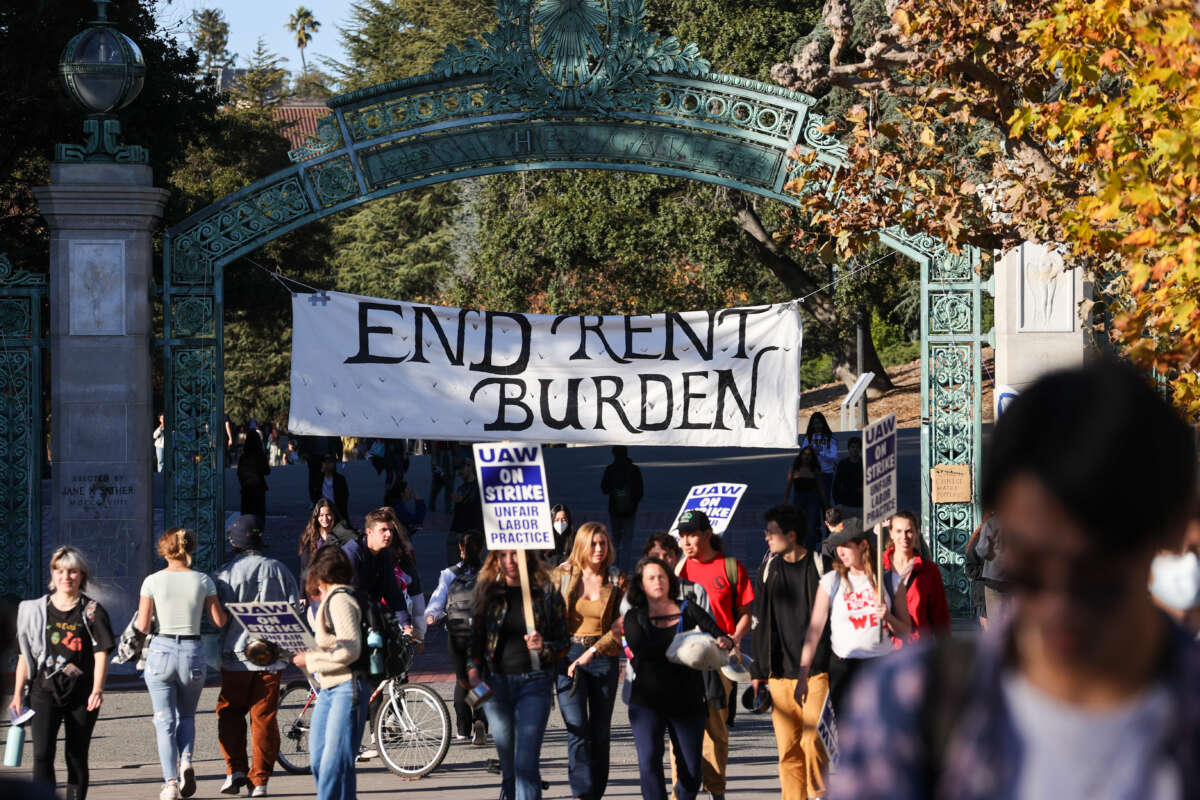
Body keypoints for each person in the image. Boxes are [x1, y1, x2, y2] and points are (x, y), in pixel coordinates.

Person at [833, 360, 1200, 799]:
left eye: (1096, 570)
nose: (1060, 599)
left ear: (1176, 530)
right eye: (1029, 562)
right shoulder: (912, 703)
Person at [624, 556, 734, 800]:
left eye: (662, 576)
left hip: (687, 700)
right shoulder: (634, 616)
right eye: (651, 578)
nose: (658, 582)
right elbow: (642, 651)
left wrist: (723, 641)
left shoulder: (688, 608)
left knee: (692, 771)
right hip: (647, 702)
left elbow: (717, 632)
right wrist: (687, 644)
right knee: (649, 762)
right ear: (641, 584)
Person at [11, 547, 115, 800]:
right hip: (43, 692)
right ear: (52, 573)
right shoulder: (35, 610)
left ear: (82, 575)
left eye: (72, 571)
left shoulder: (92, 611)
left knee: (76, 754)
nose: (65, 577)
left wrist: (98, 690)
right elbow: (24, 656)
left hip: (81, 694)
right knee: (41, 755)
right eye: (59, 571)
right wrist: (16, 695)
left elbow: (101, 653)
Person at [467, 550, 569, 800]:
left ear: (528, 557)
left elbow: (564, 641)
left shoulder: (545, 592)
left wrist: (543, 646)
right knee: (510, 765)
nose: (510, 561)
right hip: (496, 685)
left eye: (516, 555)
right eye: (504, 555)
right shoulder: (488, 592)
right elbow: (476, 638)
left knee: (525, 762)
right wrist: (473, 674)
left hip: (534, 683)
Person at [137, 529, 229, 800]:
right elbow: (219, 621)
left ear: (165, 551)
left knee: (164, 720)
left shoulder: (152, 581)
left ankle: (171, 783)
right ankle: (186, 759)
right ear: (190, 549)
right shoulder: (203, 580)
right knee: (186, 715)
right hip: (192, 651)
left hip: (161, 651)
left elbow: (142, 625)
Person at [213, 515, 301, 798]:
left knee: (230, 712)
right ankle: (260, 779)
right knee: (263, 717)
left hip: (235, 655)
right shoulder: (279, 569)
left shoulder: (224, 574)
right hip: (271, 657)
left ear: (234, 543)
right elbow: (294, 611)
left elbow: (217, 618)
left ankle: (235, 769)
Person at [749, 506, 832, 800]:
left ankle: (819, 794)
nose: (767, 538)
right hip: (779, 674)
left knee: (813, 742)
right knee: (788, 750)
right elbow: (758, 621)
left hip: (818, 672)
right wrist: (758, 673)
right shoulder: (768, 570)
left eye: (771, 533)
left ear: (791, 535)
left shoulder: (822, 566)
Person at [795, 519, 911, 718]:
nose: (840, 552)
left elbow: (905, 631)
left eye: (846, 546)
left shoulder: (890, 581)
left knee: (878, 731)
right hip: (843, 667)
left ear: (863, 545)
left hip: (879, 666)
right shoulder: (831, 581)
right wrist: (802, 676)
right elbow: (814, 632)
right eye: (837, 546)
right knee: (847, 735)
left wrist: (888, 617)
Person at [676, 511, 754, 800]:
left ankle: (716, 790)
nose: (686, 541)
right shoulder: (678, 570)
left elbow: (745, 614)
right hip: (683, 659)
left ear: (708, 534)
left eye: (692, 534)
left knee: (716, 729)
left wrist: (735, 639)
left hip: (720, 660)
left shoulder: (731, 567)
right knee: (679, 729)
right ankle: (680, 791)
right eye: (682, 535)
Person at [552, 523, 627, 800]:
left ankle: (595, 792)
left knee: (600, 731)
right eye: (593, 543)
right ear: (582, 545)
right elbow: (545, 615)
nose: (598, 549)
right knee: (577, 728)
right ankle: (582, 793)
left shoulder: (617, 578)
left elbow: (623, 623)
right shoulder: (561, 576)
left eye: (603, 543)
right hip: (567, 657)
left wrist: (594, 650)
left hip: (603, 656)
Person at [292, 546, 369, 800]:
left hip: (347, 687)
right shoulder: (330, 599)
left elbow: (350, 650)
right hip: (329, 689)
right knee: (322, 761)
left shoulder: (340, 600)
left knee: (331, 765)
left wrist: (310, 660)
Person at [426, 530, 488, 743]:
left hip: (456, 633)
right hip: (482, 632)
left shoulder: (449, 573)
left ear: (460, 549)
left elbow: (436, 604)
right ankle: (481, 717)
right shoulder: (489, 572)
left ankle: (463, 727)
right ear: (481, 550)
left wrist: (432, 617)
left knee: (462, 678)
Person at [882, 510, 950, 643]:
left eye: (909, 531)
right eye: (899, 531)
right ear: (891, 533)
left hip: (919, 647)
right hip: (885, 648)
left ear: (917, 532)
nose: (904, 536)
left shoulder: (929, 570)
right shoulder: (878, 567)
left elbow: (940, 616)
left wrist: (946, 651)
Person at [600, 446, 643, 570]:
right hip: (630, 510)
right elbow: (640, 491)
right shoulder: (634, 470)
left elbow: (604, 489)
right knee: (627, 541)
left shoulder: (610, 469)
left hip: (614, 509)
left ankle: (615, 566)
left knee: (615, 540)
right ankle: (625, 568)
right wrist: (633, 501)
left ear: (613, 454)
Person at [785, 446, 827, 551]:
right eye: (805, 454)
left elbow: (821, 488)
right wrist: (785, 502)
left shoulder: (815, 470)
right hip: (798, 499)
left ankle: (810, 550)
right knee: (798, 525)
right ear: (801, 456)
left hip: (812, 500)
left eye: (809, 455)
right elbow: (788, 487)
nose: (806, 457)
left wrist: (825, 504)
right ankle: (798, 548)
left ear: (812, 457)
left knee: (811, 526)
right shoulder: (794, 469)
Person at [298, 499, 342, 588]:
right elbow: (305, 568)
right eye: (321, 515)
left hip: (335, 584)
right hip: (315, 586)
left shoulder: (341, 535)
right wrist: (302, 594)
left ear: (333, 515)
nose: (324, 519)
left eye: (328, 515)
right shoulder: (310, 538)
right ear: (316, 517)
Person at [448, 459, 483, 567]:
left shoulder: (478, 487)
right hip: (457, 533)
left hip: (471, 536)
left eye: (462, 468)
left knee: (470, 567)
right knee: (454, 568)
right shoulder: (461, 487)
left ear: (470, 467)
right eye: (459, 469)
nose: (460, 472)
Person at [799, 412, 837, 500]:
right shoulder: (808, 438)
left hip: (826, 474)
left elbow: (834, 456)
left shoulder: (830, 438)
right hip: (811, 474)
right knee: (812, 501)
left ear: (823, 423)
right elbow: (802, 457)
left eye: (819, 423)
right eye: (815, 423)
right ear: (811, 425)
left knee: (825, 500)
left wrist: (820, 453)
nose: (817, 425)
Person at [237, 430, 271, 517]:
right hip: (258, 488)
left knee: (247, 515)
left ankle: (249, 529)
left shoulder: (243, 456)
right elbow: (267, 471)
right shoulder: (260, 455)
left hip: (246, 489)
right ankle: (257, 530)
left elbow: (239, 473)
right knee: (259, 516)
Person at [831, 436, 862, 513]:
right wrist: (838, 502)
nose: (855, 449)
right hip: (846, 503)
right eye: (853, 447)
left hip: (862, 503)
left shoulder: (865, 463)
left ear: (860, 449)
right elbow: (836, 484)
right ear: (849, 448)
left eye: (857, 447)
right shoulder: (843, 464)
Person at [317, 454, 350, 522]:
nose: (327, 465)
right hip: (323, 507)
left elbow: (345, 495)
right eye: (325, 462)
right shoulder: (318, 479)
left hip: (337, 508)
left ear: (334, 464)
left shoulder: (340, 479)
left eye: (329, 462)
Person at [429, 441, 456, 514]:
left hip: (449, 455)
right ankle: (431, 504)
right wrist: (434, 458)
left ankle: (448, 508)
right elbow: (433, 442)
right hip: (440, 455)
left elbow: (455, 443)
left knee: (449, 485)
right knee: (437, 484)